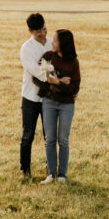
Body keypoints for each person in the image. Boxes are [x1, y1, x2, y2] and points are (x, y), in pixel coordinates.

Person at [37, 28, 81, 184]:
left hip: (66, 106)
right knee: (50, 139)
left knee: (63, 139)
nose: (52, 42)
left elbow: (74, 89)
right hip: (49, 102)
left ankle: (62, 175)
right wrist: (61, 82)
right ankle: (51, 174)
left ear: (63, 43)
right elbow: (39, 78)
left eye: (55, 40)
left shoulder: (74, 62)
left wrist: (56, 82)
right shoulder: (48, 57)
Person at [19, 12, 53, 180]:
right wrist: (54, 75)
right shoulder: (26, 48)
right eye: (38, 31)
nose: (43, 33)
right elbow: (36, 71)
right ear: (30, 31)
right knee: (28, 135)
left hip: (49, 98)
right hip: (30, 97)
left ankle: (51, 168)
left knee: (50, 135)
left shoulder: (53, 43)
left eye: (44, 28)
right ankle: (25, 169)